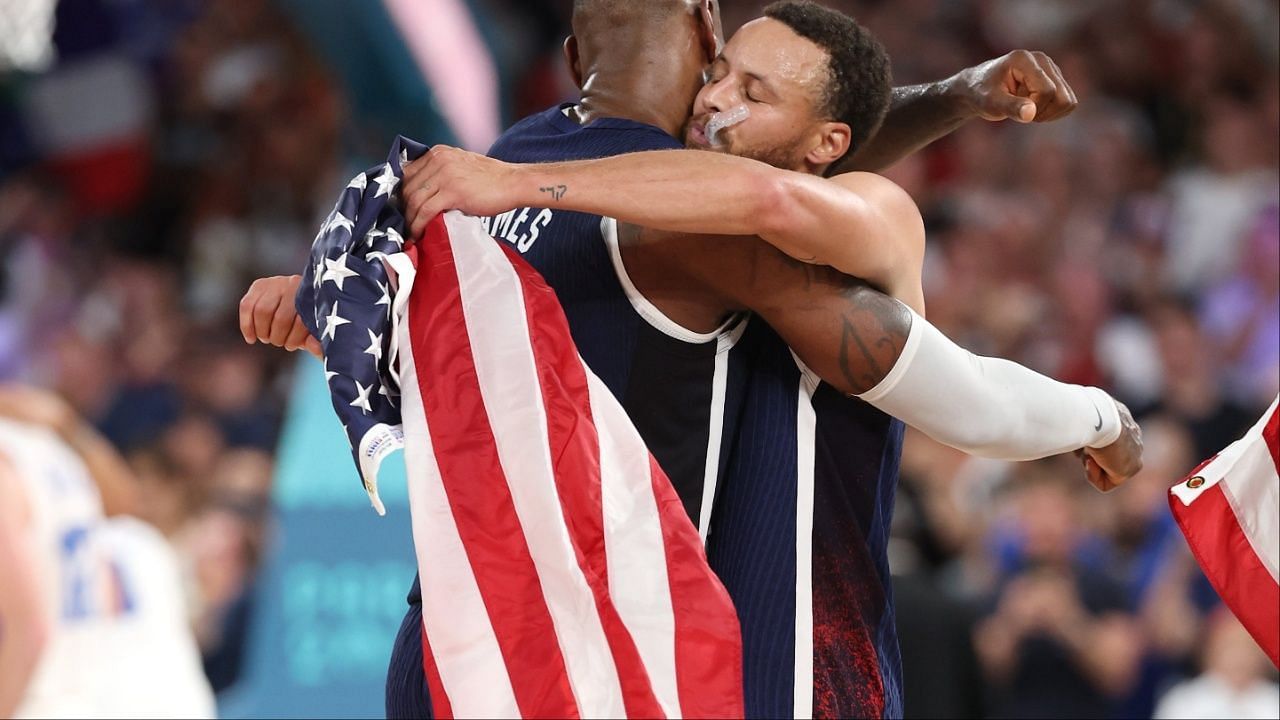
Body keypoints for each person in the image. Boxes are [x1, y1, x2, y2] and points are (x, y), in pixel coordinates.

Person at [240, 1, 1140, 716]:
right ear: (706, 31)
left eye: (751, 90)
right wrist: (1097, 416)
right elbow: (773, 194)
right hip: (748, 656)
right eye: (724, 79)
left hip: (467, 637)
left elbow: (771, 187)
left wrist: (338, 302)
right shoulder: (665, 213)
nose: (719, 102)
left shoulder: (490, 180)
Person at [0, 385, 215, 718]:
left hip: (57, 696)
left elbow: (30, 629)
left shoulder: (17, 465)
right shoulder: (138, 542)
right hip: (126, 695)